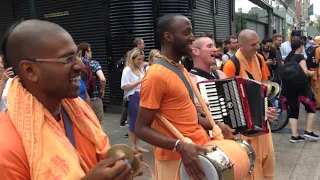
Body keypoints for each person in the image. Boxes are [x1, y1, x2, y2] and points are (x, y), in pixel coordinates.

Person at [0, 19, 133, 179]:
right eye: (67, 59)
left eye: (76, 55)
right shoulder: (6, 146)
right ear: (30, 70)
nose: (81, 66)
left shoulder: (79, 114)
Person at [135, 13, 223, 180]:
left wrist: (216, 125)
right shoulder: (156, 75)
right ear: (168, 37)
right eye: (186, 33)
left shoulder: (179, 68)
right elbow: (141, 128)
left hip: (196, 151)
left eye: (191, 32)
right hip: (175, 160)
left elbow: (188, 117)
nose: (192, 38)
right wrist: (179, 146)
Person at [223, 29, 276, 180]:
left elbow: (265, 83)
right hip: (243, 123)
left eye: (258, 43)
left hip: (261, 117)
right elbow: (228, 97)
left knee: (268, 157)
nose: (257, 47)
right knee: (250, 164)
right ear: (241, 45)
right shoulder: (231, 65)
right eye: (253, 44)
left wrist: (267, 105)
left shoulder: (259, 59)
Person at [188, 37, 235, 139]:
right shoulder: (189, 79)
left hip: (228, 136)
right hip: (205, 139)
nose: (215, 49)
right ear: (196, 51)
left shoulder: (221, 74)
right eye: (209, 46)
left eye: (214, 45)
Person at [283, 39, 319, 142]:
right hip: (301, 87)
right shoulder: (300, 57)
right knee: (312, 105)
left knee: (293, 109)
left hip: (289, 87)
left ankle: (294, 135)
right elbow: (306, 72)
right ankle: (309, 130)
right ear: (300, 47)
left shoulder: (288, 57)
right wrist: (312, 73)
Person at [121, 48, 149, 153]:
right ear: (132, 59)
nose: (141, 62)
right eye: (138, 59)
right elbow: (124, 86)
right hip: (133, 96)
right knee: (133, 121)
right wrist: (140, 81)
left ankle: (137, 145)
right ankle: (133, 146)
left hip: (141, 95)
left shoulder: (140, 68)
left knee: (139, 121)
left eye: (142, 59)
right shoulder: (127, 70)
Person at [77, 42, 106, 123]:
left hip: (80, 99)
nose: (91, 53)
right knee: (98, 124)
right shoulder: (94, 63)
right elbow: (102, 79)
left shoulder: (76, 64)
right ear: (86, 53)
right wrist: (102, 89)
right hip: (94, 98)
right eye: (90, 51)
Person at [309, 36, 320, 108]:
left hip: (316, 71)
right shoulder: (317, 49)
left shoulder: (315, 49)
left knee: (317, 88)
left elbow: (316, 61)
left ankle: (317, 104)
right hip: (317, 71)